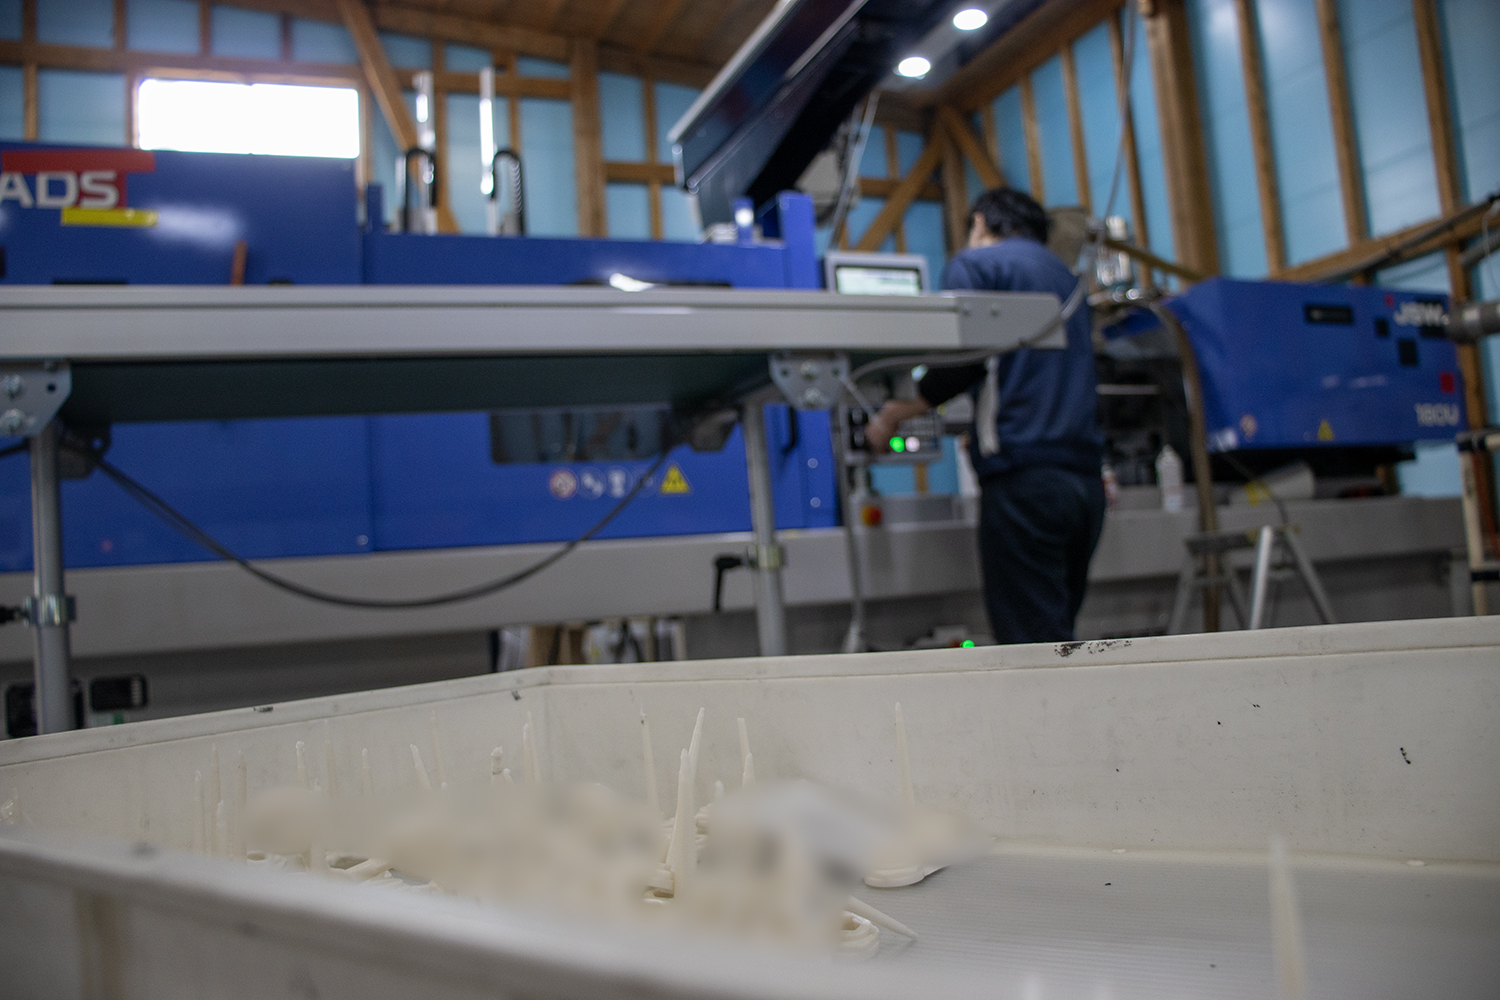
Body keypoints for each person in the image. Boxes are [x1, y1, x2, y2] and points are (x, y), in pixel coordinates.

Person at [867, 188, 1105, 644]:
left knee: (1032, 648)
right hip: (1085, 486)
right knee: (1060, 638)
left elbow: (964, 359)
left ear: (979, 222)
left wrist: (901, 409)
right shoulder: (1068, 278)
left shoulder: (978, 265)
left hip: (1023, 481)